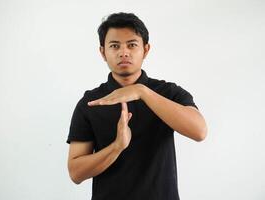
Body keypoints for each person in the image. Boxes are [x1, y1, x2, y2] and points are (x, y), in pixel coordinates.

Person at [66, 12, 207, 200]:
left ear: (146, 50)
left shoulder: (168, 92)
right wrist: (116, 147)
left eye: (132, 45)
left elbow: (199, 131)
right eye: (115, 46)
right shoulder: (91, 102)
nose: (124, 52)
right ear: (103, 52)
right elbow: (76, 173)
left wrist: (142, 91)